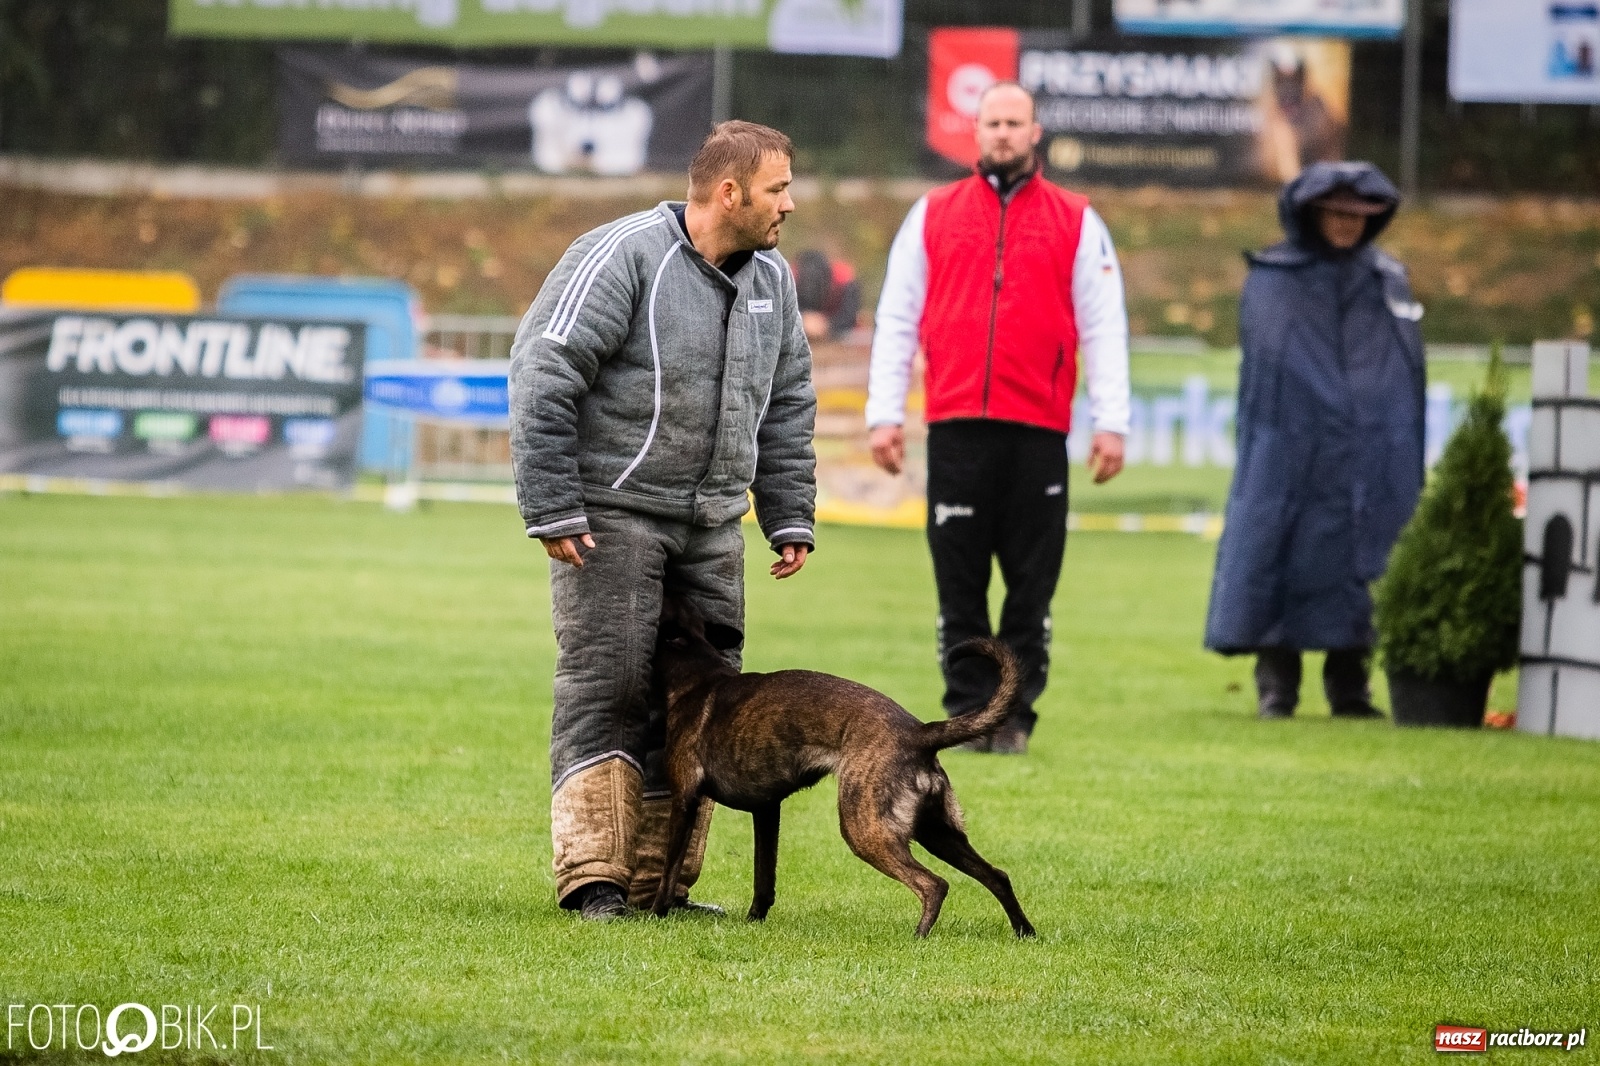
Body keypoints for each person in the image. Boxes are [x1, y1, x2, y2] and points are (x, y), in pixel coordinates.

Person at [508, 120, 818, 921]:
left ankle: (661, 888)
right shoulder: (621, 255)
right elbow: (544, 372)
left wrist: (789, 512)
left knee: (702, 702)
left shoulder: (774, 282)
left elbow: (787, 404)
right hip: (610, 516)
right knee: (608, 690)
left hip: (713, 526)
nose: (791, 203)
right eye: (779, 187)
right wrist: (551, 504)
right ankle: (595, 881)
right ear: (730, 193)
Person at [865, 82, 1131, 755]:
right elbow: (897, 318)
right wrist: (884, 414)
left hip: (1038, 429)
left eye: (1015, 122)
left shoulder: (1077, 219)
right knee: (958, 580)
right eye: (993, 122)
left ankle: (1012, 717)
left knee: (1029, 586)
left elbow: (1103, 327)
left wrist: (1112, 421)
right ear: (975, 132)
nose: (1004, 133)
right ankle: (965, 715)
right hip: (956, 424)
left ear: (1035, 131)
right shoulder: (932, 214)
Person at [1204, 161, 1425, 718]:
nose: (1348, 225)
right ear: (1312, 213)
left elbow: (1402, 371)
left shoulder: (1386, 278)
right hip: (1291, 450)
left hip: (1369, 452)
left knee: (1362, 557)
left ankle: (1350, 687)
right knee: (1282, 551)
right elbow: (1272, 367)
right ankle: (1278, 684)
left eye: (1359, 215)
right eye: (1337, 213)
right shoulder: (1274, 278)